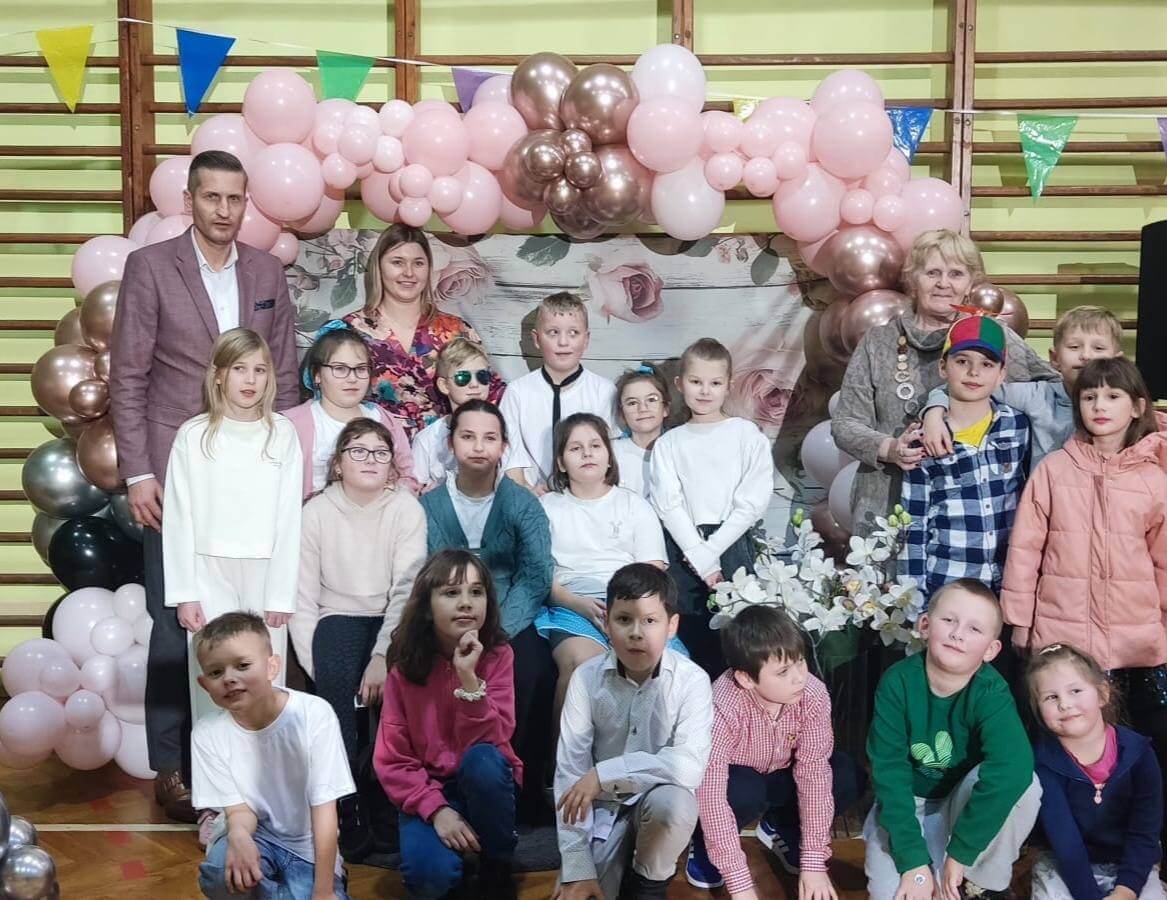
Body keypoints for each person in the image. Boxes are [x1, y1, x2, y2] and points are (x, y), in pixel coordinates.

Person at [109, 149, 299, 821]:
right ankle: (174, 767)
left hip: (252, 470)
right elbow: (128, 375)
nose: (223, 209)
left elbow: (285, 373)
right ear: (189, 202)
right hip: (174, 474)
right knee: (176, 622)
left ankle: (256, 770)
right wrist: (138, 471)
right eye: (211, 197)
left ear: (246, 203)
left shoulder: (267, 271)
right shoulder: (150, 267)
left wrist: (284, 455)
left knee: (256, 632)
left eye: (234, 198)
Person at [1002, 356, 1167, 836]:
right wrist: (1020, 619)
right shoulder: (1054, 470)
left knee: (1135, 742)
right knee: (1063, 741)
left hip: (1137, 640)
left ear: (1137, 407)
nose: (1100, 405)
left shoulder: (1154, 479)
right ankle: (1058, 836)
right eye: (1090, 396)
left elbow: (1163, 560)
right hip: (1064, 632)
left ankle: (1135, 837)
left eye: (1113, 396)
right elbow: (1026, 548)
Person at [163, 328, 302, 843]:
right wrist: (186, 592)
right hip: (208, 572)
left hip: (265, 576)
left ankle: (267, 804)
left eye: (260, 370)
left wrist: (281, 593)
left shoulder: (281, 434)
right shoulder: (195, 435)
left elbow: (289, 517)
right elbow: (179, 517)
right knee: (215, 695)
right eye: (239, 369)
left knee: (266, 690)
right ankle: (216, 806)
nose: (250, 380)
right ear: (218, 375)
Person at [831, 228, 1056, 539]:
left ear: (970, 283)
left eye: (956, 274)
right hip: (886, 508)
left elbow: (1050, 390)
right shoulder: (878, 342)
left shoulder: (990, 335)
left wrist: (963, 409)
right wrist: (892, 449)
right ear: (913, 278)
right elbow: (845, 423)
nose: (943, 283)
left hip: (971, 519)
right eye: (932, 272)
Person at [290, 418, 427, 861]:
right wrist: (321, 671)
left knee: (402, 687)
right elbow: (302, 599)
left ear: (392, 466)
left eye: (380, 453)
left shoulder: (405, 509)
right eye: (358, 451)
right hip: (338, 616)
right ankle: (345, 802)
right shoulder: (316, 513)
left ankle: (389, 796)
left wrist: (383, 655)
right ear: (338, 464)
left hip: (393, 619)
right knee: (334, 678)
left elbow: (407, 592)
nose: (370, 460)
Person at [419, 399, 555, 822]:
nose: (479, 446)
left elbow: (535, 574)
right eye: (468, 436)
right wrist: (452, 625)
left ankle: (524, 790)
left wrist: (498, 630)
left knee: (534, 672)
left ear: (503, 446)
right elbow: (426, 571)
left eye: (489, 438)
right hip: (445, 616)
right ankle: (443, 785)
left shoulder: (522, 503)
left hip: (508, 614)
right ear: (451, 443)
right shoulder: (430, 505)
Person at [864, 579, 1042, 900]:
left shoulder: (991, 693)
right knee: (897, 892)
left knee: (1026, 787)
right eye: (949, 620)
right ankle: (928, 865)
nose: (958, 633)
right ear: (925, 625)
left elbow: (1014, 767)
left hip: (961, 803)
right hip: (909, 804)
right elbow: (889, 773)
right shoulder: (897, 683)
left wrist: (961, 853)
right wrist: (912, 862)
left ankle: (979, 884)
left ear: (991, 650)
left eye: (974, 629)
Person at [554, 563, 714, 900]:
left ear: (672, 626)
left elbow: (690, 767)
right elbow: (570, 775)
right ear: (606, 623)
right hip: (602, 808)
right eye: (624, 619)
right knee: (579, 892)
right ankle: (609, 867)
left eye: (650, 621)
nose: (636, 633)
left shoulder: (692, 680)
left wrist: (605, 773)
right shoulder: (585, 678)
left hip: (656, 801)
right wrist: (578, 866)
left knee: (676, 804)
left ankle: (648, 885)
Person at [687, 606, 867, 900]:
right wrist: (741, 886)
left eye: (800, 662)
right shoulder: (721, 705)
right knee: (740, 792)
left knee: (846, 775)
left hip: (782, 775)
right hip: (738, 782)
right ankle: (706, 844)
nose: (799, 678)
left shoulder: (812, 693)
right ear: (746, 679)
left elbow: (814, 772)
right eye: (783, 672)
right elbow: (711, 795)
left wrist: (814, 862)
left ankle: (782, 826)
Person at [373, 550, 520, 900]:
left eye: (476, 592)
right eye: (451, 593)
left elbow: (495, 741)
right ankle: (454, 857)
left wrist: (468, 679)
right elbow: (392, 759)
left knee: (483, 761)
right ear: (427, 605)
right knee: (429, 880)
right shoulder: (404, 668)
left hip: (483, 782)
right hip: (428, 788)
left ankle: (496, 862)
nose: (466, 603)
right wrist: (436, 809)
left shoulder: (499, 656)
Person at [191, 612, 354, 900]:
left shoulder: (313, 714)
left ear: (272, 667)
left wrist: (323, 891)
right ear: (204, 685)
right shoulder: (207, 733)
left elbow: (325, 810)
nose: (229, 678)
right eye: (216, 673)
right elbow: (239, 810)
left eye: (242, 665)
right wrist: (239, 835)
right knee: (218, 873)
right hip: (258, 837)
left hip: (309, 848)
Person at [532, 413, 679, 722]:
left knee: (671, 671)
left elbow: (652, 572)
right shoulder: (547, 508)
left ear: (609, 457)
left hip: (633, 603)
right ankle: (566, 754)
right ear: (560, 462)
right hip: (572, 604)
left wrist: (624, 613)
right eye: (575, 448)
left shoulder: (634, 504)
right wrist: (579, 604)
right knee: (583, 669)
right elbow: (538, 575)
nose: (587, 453)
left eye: (595, 445)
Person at [649, 338, 774, 677]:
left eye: (715, 383)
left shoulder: (746, 435)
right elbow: (669, 505)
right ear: (680, 384)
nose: (705, 391)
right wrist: (702, 561)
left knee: (739, 643)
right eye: (696, 381)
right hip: (684, 548)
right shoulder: (669, 443)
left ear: (729, 385)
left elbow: (751, 503)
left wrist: (711, 553)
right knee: (692, 644)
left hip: (732, 544)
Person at [900, 315, 1030, 602]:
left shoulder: (1018, 426)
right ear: (943, 367)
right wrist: (914, 601)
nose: (974, 372)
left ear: (1002, 374)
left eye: (987, 364)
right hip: (949, 580)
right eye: (962, 361)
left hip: (1009, 584)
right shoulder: (923, 438)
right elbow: (914, 523)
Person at [1025, 643, 1165, 900]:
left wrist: (1125, 891)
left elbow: (1144, 833)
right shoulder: (1044, 763)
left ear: (1102, 694)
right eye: (1051, 697)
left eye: (1075, 691)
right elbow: (1065, 841)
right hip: (1063, 863)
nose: (1065, 704)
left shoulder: (1140, 755)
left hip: (1130, 862)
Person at [342, 224, 504, 437]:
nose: (409, 272)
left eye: (418, 263)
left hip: (444, 449)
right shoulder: (349, 332)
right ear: (379, 267)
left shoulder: (456, 331)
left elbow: (491, 396)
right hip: (373, 449)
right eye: (397, 262)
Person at [921, 306, 1125, 471]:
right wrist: (934, 414)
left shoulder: (1126, 405)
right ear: (1055, 358)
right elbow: (964, 387)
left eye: (1098, 348)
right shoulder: (1036, 395)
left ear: (1118, 361)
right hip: (1043, 503)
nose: (1086, 356)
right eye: (1074, 347)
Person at [283, 322, 417, 499]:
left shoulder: (383, 419)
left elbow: (407, 475)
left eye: (360, 369)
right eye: (340, 369)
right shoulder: (292, 425)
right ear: (316, 374)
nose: (352, 378)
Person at [501, 292, 617, 491]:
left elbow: (610, 454)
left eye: (573, 333)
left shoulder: (604, 391)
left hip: (589, 495)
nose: (563, 342)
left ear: (586, 339)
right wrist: (527, 493)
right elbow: (510, 458)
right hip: (532, 496)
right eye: (553, 332)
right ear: (537, 339)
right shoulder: (517, 393)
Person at [410, 337, 508, 492]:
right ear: (444, 385)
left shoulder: (504, 431)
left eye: (482, 376)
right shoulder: (427, 439)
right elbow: (414, 489)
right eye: (463, 377)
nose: (474, 384)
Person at [611, 366, 670, 499]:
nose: (643, 408)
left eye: (651, 400)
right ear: (622, 414)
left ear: (665, 408)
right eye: (632, 403)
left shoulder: (677, 449)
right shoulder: (611, 453)